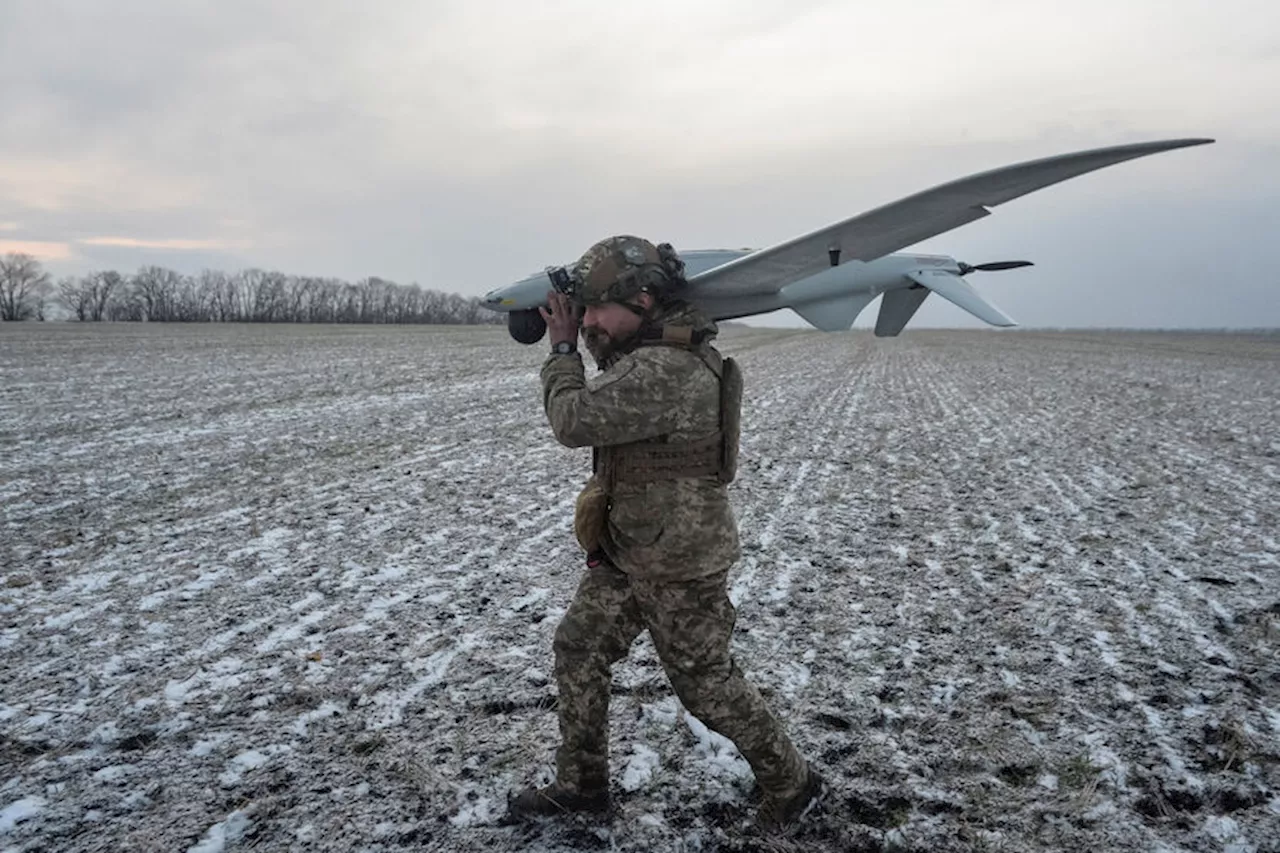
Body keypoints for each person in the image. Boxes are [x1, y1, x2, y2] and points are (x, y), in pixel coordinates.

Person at [504, 235, 822, 828]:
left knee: (706, 687)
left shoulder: (666, 367)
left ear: (645, 301)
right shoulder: (655, 349)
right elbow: (614, 368)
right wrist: (585, 329)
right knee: (579, 647)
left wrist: (563, 349)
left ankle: (795, 784)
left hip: (679, 559)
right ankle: (582, 785)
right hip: (631, 548)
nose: (589, 320)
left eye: (597, 309)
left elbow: (573, 419)